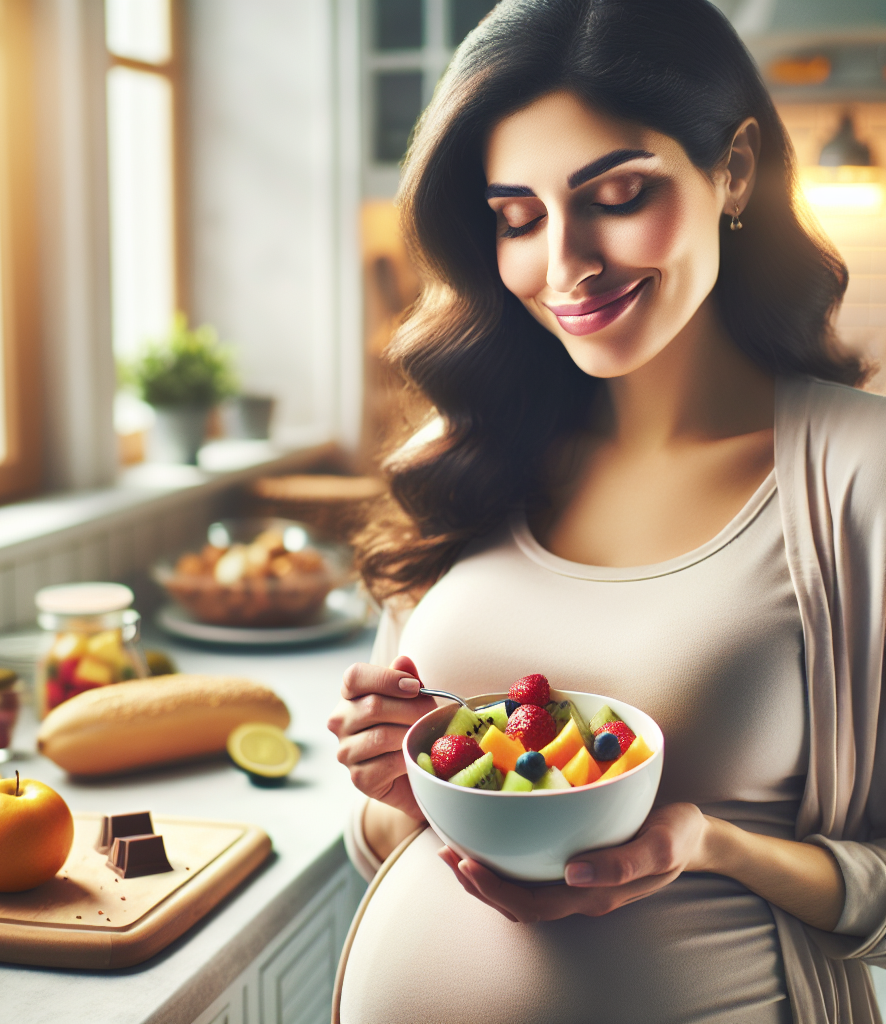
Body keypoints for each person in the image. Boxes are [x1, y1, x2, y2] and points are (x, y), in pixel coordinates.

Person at [326, 1, 886, 1021]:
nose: (565, 264)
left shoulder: (861, 477)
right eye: (517, 217)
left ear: (734, 170)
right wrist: (394, 793)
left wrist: (714, 844)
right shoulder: (468, 457)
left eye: (618, 194)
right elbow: (379, 848)